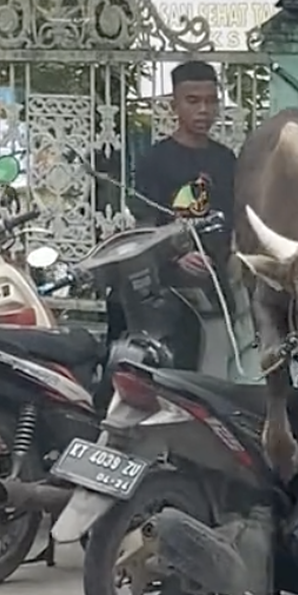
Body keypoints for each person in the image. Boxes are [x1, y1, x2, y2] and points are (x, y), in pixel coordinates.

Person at [105, 61, 238, 368]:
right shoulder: (155, 160)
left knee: (215, 374)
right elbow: (145, 228)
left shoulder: (226, 160)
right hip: (169, 294)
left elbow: (234, 220)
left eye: (211, 101)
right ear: (173, 104)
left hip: (216, 291)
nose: (204, 110)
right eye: (193, 101)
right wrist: (176, 257)